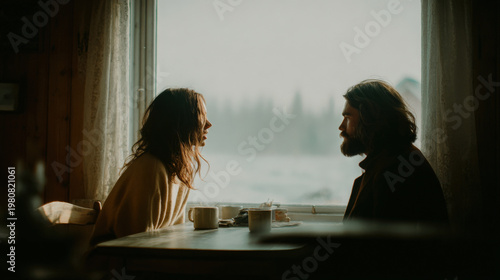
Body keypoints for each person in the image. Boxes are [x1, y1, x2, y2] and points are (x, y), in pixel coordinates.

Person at [90, 88, 212, 246]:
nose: (208, 124)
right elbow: (136, 245)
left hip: (146, 260)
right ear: (181, 121)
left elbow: (171, 236)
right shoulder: (151, 168)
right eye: (201, 116)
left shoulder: (180, 171)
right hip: (112, 263)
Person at [339, 80, 448, 225]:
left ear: (369, 119)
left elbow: (382, 246)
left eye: (347, 118)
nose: (341, 127)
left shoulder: (395, 170)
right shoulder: (391, 161)